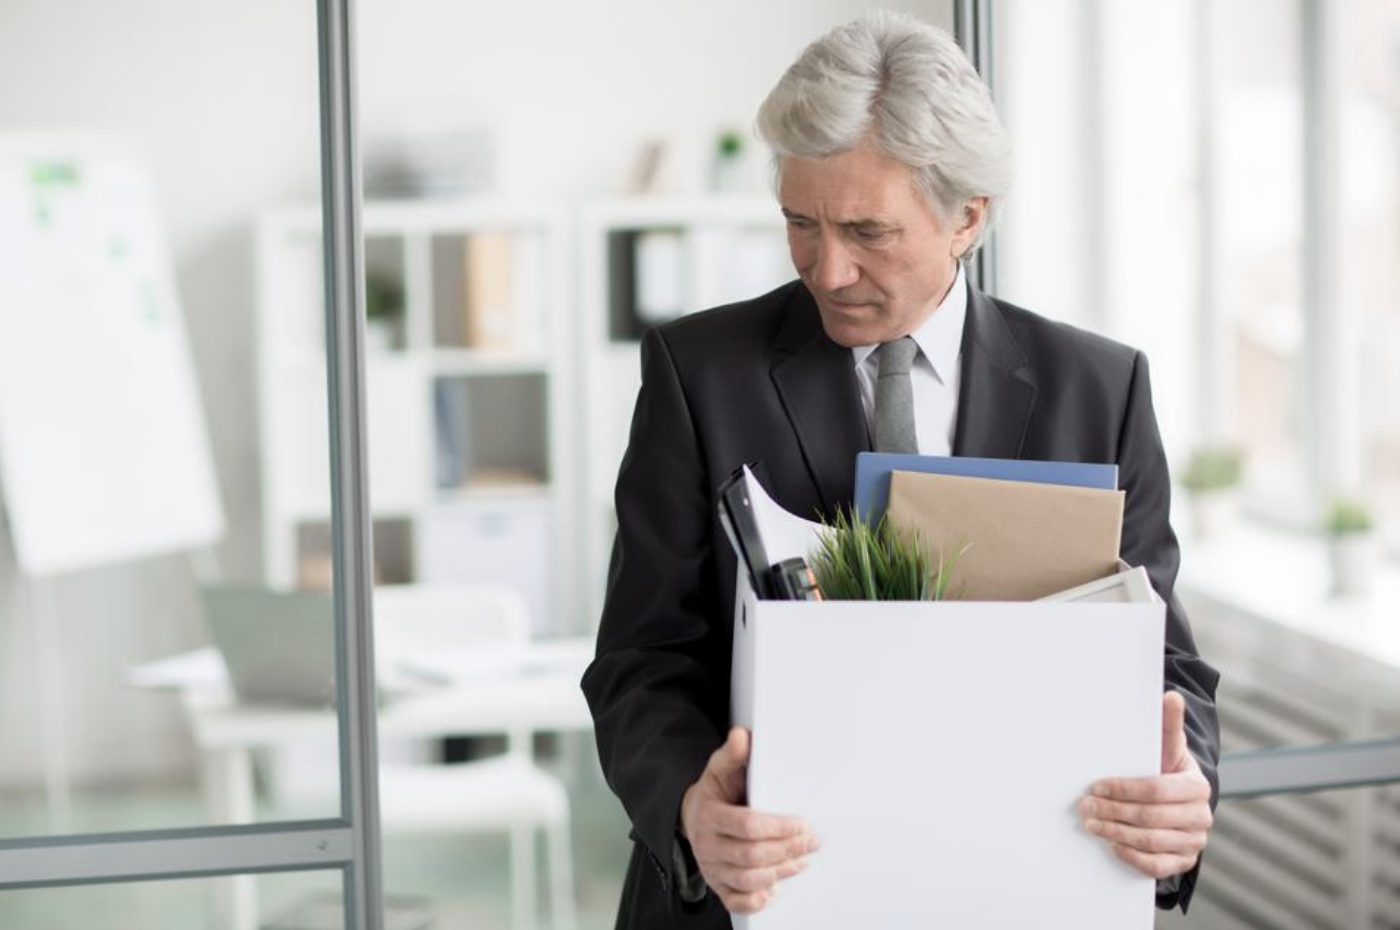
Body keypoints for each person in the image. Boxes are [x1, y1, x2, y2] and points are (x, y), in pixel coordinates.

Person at [581, 12, 1220, 928]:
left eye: (866, 231)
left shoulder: (1101, 389)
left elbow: (1164, 662)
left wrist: (1183, 783)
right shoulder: (697, 373)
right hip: (753, 898)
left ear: (969, 215)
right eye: (800, 222)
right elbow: (640, 660)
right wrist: (692, 806)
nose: (827, 268)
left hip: (1018, 891)